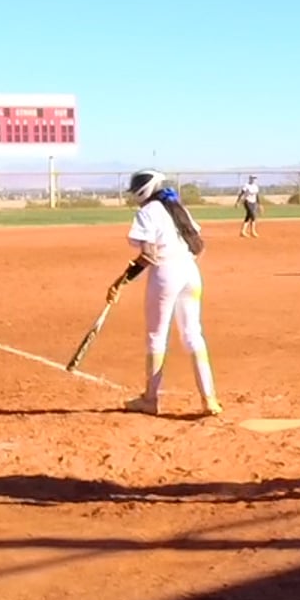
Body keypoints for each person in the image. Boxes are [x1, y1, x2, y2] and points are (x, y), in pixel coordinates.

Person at [114, 170, 220, 417]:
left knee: (156, 336)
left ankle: (150, 400)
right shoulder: (177, 208)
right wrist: (183, 265)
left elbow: (149, 255)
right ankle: (209, 399)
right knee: (193, 334)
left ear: (143, 190)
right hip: (190, 272)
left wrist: (121, 281)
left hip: (165, 274)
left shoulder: (148, 212)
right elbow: (199, 246)